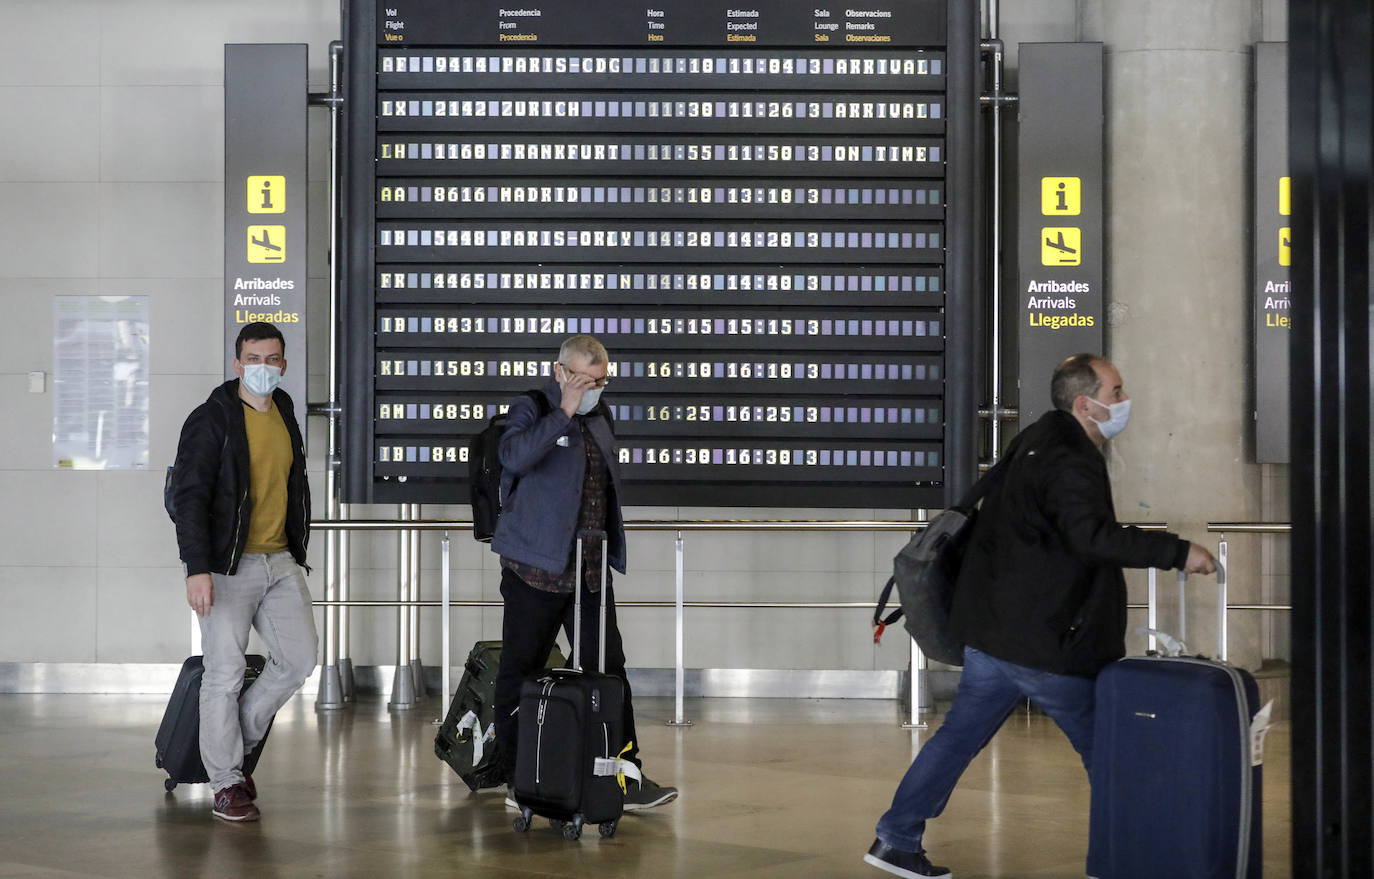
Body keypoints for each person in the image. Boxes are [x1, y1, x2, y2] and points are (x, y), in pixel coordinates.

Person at [864, 353, 1217, 878]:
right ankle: (1124, 858)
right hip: (1044, 641)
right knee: (1109, 749)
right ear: (1085, 403)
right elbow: (1089, 537)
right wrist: (1176, 551)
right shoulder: (1070, 459)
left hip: (996, 633)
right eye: (1116, 392)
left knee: (958, 739)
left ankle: (895, 839)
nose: (1124, 401)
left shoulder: (1035, 439)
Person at [490, 335, 678, 811]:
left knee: (609, 671)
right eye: (581, 380)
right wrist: (564, 411)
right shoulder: (530, 408)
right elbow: (513, 457)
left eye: (599, 381)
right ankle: (519, 779)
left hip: (589, 571)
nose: (592, 389)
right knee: (521, 671)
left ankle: (623, 779)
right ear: (559, 373)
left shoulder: (601, 415)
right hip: (535, 571)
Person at [171, 322, 315, 822]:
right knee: (225, 673)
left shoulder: (285, 410)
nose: (262, 368)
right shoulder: (211, 419)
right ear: (237, 365)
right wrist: (197, 568)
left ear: (283, 364)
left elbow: (293, 483)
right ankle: (227, 782)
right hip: (227, 565)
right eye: (253, 359)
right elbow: (189, 498)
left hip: (280, 559)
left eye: (271, 358)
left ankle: (235, 742)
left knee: (298, 661)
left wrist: (296, 549)